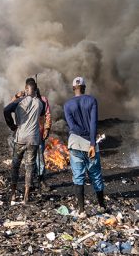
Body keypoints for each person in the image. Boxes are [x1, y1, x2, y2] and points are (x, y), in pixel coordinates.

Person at [64, 77, 106, 218]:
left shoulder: (68, 105)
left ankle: (81, 210)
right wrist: (92, 142)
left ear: (73, 89)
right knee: (95, 175)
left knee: (78, 176)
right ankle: (101, 206)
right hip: (90, 144)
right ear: (84, 87)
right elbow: (93, 123)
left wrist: (82, 134)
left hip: (75, 143)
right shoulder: (91, 100)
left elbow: (72, 126)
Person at [4, 80, 45, 204]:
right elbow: (42, 114)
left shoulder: (19, 102)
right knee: (29, 167)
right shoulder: (40, 103)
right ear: (36, 91)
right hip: (33, 139)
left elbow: (6, 110)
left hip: (20, 138)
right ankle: (26, 197)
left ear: (26, 90)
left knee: (15, 166)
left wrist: (11, 125)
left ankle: (13, 194)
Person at [12, 78, 52, 191]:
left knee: (40, 159)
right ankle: (31, 183)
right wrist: (16, 95)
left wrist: (47, 129)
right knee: (28, 160)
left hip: (38, 134)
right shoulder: (22, 100)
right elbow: (10, 105)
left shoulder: (42, 100)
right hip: (26, 135)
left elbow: (47, 115)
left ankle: (41, 179)